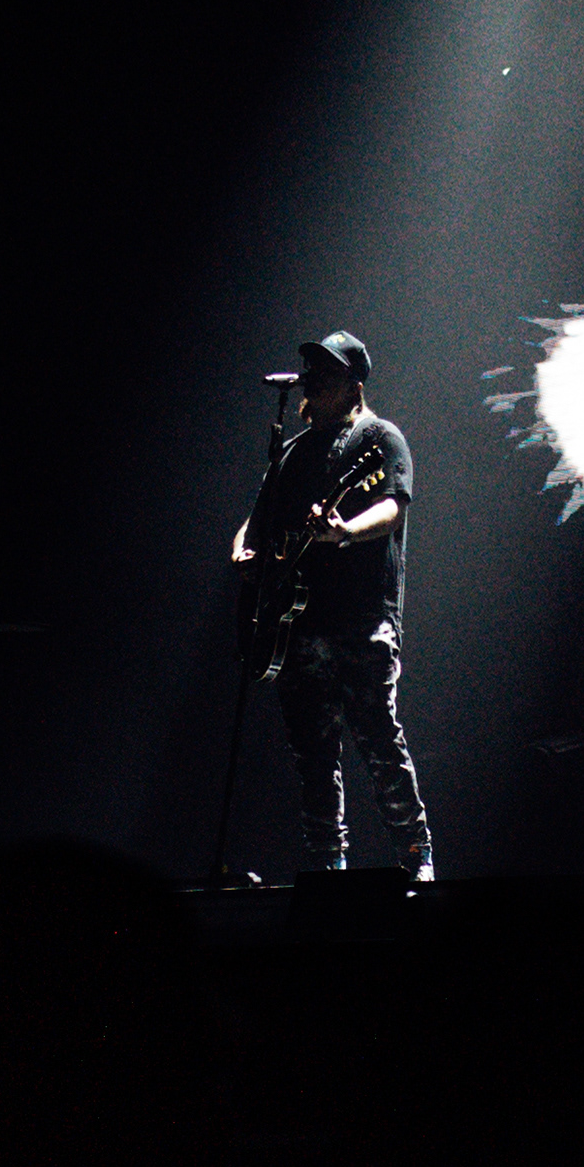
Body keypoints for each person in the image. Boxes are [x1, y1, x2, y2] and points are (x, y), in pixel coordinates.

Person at [229, 330, 433, 882]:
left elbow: (394, 506)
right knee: (312, 755)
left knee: (378, 741)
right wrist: (242, 548)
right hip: (299, 625)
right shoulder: (294, 451)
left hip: (362, 619)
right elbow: (257, 517)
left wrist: (345, 531)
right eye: (311, 369)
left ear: (354, 386)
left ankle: (416, 858)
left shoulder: (379, 438)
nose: (312, 380)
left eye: (326, 372)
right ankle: (327, 866)